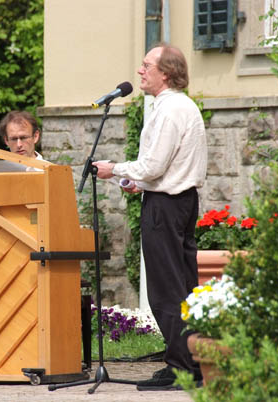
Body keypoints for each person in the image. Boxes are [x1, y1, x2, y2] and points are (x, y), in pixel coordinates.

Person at [93, 43, 207, 390]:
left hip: (167, 206)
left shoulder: (170, 110)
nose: (140, 71)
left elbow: (154, 166)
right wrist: (138, 183)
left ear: (166, 73)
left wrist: (114, 169)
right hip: (179, 201)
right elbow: (163, 168)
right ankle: (188, 362)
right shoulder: (178, 106)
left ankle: (182, 367)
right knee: (182, 285)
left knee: (165, 289)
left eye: (147, 66)